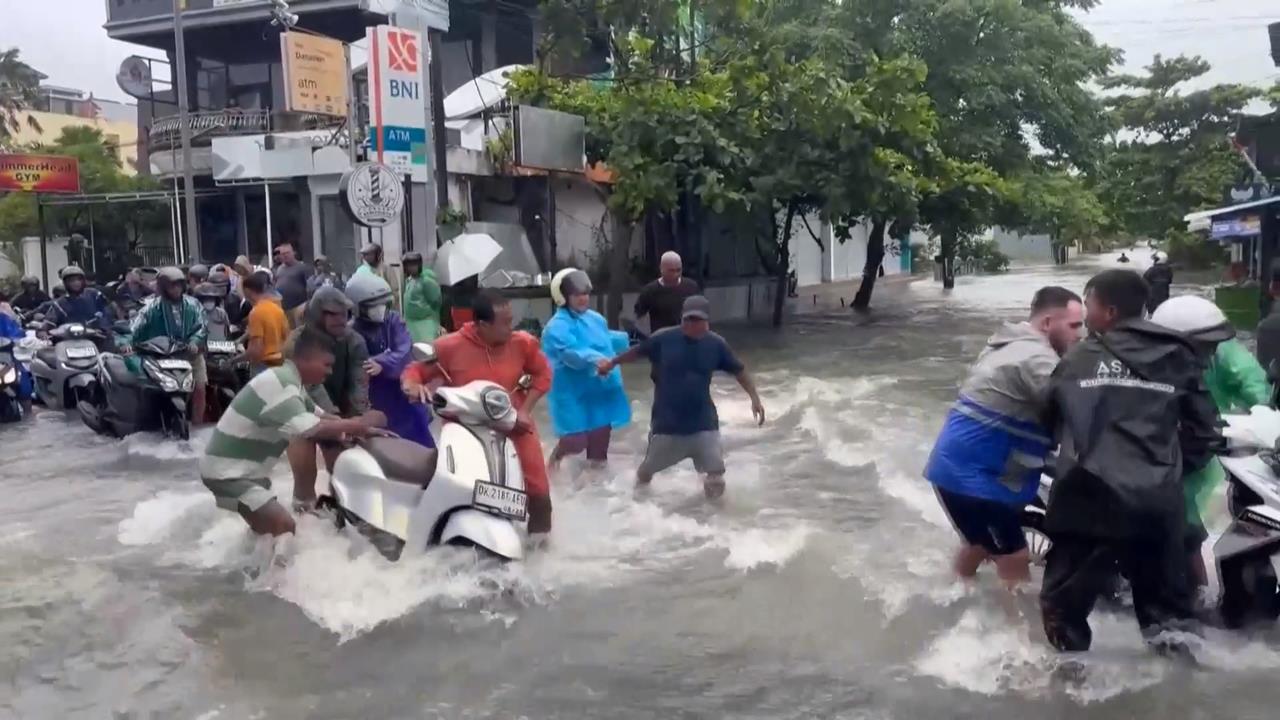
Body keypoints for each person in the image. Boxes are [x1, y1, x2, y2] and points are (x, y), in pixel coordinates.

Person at [1039, 269, 1220, 654]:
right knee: (1171, 623)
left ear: (1109, 310)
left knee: (1063, 613)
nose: (1086, 315)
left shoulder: (1079, 358)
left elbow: (1047, 423)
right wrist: (1163, 469)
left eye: (1089, 305)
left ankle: (1070, 697)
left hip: (1088, 502)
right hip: (1156, 506)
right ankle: (1180, 701)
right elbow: (1206, 432)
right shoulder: (1181, 354)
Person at [924, 287, 1085, 592]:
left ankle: (953, 594)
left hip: (957, 469)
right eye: (1075, 325)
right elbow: (1078, 404)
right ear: (1049, 323)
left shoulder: (1009, 342)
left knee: (981, 542)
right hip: (973, 480)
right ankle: (1016, 637)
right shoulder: (1037, 358)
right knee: (1015, 556)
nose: (1082, 334)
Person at [199, 328, 387, 536]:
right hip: (229, 474)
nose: (329, 372)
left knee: (266, 534)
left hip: (238, 471)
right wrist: (357, 424)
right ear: (304, 360)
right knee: (285, 528)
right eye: (326, 365)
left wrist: (365, 429)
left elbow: (322, 416)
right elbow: (313, 428)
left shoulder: (292, 383)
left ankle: (255, 566)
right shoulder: (281, 384)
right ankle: (278, 568)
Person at [401, 289, 554, 535]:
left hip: (512, 422)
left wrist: (525, 410)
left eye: (511, 321)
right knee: (454, 483)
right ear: (482, 324)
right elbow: (414, 371)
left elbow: (544, 374)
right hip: (464, 426)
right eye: (504, 323)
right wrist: (413, 386)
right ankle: (433, 533)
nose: (510, 328)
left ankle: (540, 548)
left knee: (538, 489)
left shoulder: (522, 343)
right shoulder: (449, 345)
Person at [1151, 295, 1271, 590]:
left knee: (1192, 531)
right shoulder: (1145, 361)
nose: (1209, 353)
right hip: (1157, 457)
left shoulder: (1223, 351)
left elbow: (1252, 382)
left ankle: (1200, 595)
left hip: (1205, 448)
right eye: (1203, 346)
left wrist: (1265, 416)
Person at [600, 296, 765, 499]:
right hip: (667, 424)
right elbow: (636, 352)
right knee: (646, 472)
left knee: (716, 476)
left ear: (707, 322)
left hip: (704, 423)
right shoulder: (664, 338)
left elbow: (739, 371)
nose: (691, 324)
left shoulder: (716, 344)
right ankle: (634, 506)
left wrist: (755, 398)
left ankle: (713, 520)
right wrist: (612, 363)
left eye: (697, 320)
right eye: (687, 319)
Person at [541, 268, 631, 468]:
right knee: (576, 440)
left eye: (585, 293)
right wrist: (595, 359)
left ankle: (595, 490)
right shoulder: (556, 327)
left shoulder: (595, 318)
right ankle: (553, 465)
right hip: (572, 392)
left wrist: (633, 343)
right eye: (576, 294)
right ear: (563, 296)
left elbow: (605, 339)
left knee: (600, 442)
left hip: (599, 387)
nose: (583, 298)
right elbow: (569, 352)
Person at [347, 274, 434, 448]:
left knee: (420, 438)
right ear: (357, 307)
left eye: (383, 304)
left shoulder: (393, 320)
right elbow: (357, 362)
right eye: (373, 306)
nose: (380, 309)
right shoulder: (351, 331)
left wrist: (381, 363)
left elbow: (404, 350)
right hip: (372, 395)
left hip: (399, 390)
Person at [130, 267, 209, 424]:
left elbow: (202, 326)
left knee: (200, 389)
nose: (176, 289)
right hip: (162, 357)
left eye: (179, 285)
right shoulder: (151, 307)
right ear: (163, 287)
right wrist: (130, 343)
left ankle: (197, 426)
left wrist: (194, 341)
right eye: (171, 286)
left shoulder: (194, 305)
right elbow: (135, 328)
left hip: (191, 355)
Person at [288, 286, 371, 421]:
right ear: (317, 314)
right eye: (332, 314)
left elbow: (359, 382)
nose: (340, 319)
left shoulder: (354, 342)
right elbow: (311, 386)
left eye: (343, 313)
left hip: (342, 409)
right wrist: (334, 419)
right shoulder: (298, 343)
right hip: (305, 412)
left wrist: (358, 418)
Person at [634, 251, 700, 333]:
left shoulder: (691, 287)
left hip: (688, 338)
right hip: (661, 339)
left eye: (678, 270)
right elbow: (639, 317)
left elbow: (700, 313)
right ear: (661, 269)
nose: (676, 274)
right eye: (671, 271)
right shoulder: (650, 291)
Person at [240, 272, 289, 377]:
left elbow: (256, 350)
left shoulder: (256, 312)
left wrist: (234, 360)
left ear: (248, 291)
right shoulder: (277, 309)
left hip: (263, 365)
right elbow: (286, 336)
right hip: (280, 363)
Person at [46, 266, 110, 330]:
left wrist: (104, 327)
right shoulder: (59, 304)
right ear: (65, 283)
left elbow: (107, 312)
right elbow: (49, 323)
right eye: (72, 280)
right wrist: (43, 331)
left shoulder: (94, 294)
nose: (76, 283)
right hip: (68, 337)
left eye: (79, 279)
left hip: (98, 335)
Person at [401, 251, 442, 343]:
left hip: (426, 324)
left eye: (413, 265)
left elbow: (436, 302)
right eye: (408, 265)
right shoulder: (409, 280)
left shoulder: (427, 281)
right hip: (411, 325)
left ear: (419, 265)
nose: (410, 268)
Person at [0, 309, 33, 416]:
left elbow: (17, 332)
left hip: (5, 359)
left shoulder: (3, 318)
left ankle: (29, 416)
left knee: (23, 382)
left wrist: (18, 338)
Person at [273, 241, 312, 327]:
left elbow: (310, 288)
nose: (285, 255)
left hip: (298, 308)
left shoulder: (302, 267)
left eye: (287, 253)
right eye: (282, 254)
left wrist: (307, 305)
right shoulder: (279, 269)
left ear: (293, 253)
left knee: (297, 333)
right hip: (283, 309)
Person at [194, 272, 234, 342]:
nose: (209, 302)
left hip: (221, 347)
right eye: (206, 299)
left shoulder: (221, 313)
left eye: (211, 299)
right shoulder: (193, 314)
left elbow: (227, 332)